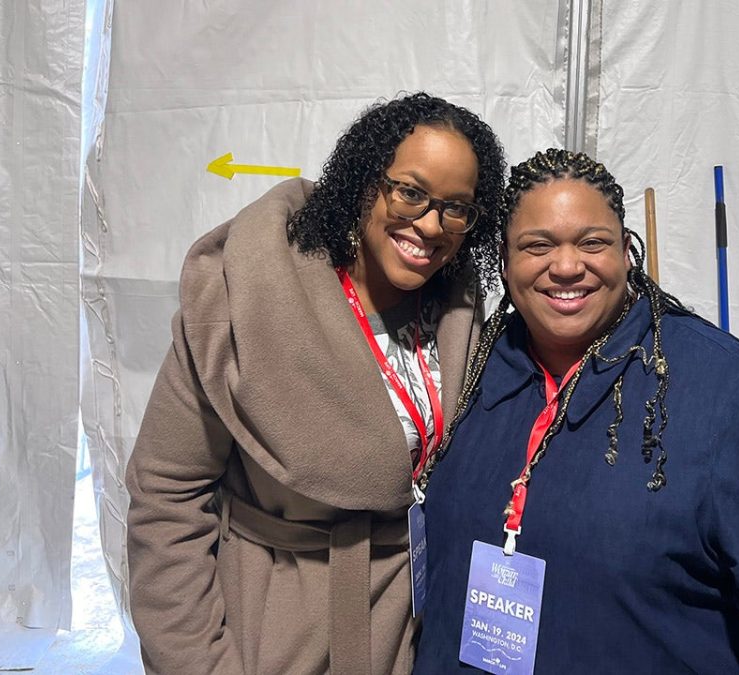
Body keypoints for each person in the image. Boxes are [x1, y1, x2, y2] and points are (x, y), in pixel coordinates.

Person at [413, 149, 739, 673]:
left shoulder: (726, 393)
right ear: (505, 260)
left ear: (627, 252)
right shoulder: (472, 370)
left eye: (592, 243)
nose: (566, 266)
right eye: (538, 245)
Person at [124, 92, 507, 675]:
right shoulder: (243, 297)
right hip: (272, 631)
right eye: (410, 192)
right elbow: (166, 496)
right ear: (364, 180)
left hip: (413, 625)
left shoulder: (459, 312)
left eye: (456, 208)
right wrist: (199, 661)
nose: (431, 225)